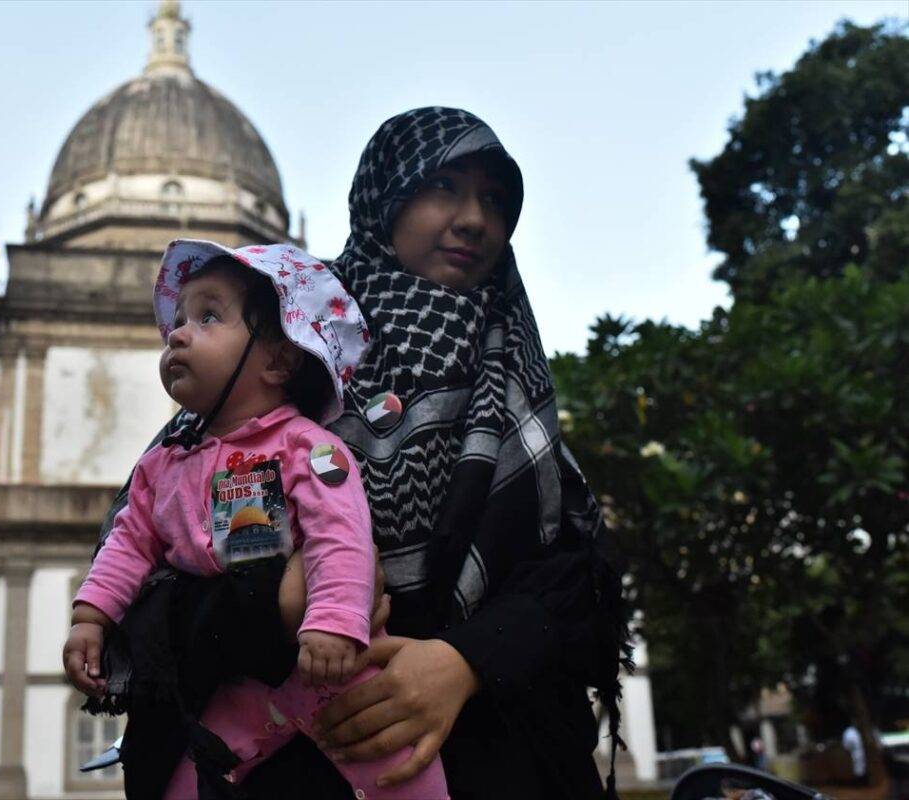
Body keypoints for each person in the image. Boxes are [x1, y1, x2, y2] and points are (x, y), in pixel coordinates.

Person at [103, 108, 630, 800]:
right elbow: (151, 568)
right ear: (383, 197)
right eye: (442, 186)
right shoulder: (289, 356)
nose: (473, 219)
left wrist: (461, 662)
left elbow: (575, 587)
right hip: (290, 768)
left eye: (495, 200)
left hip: (494, 757)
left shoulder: (514, 387)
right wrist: (275, 603)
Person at [63, 240, 449, 800]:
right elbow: (127, 544)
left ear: (279, 359)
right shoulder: (160, 467)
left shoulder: (308, 448)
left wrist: (335, 623)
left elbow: (341, 538)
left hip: (326, 663)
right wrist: (90, 616)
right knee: (187, 773)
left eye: (209, 316)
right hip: (239, 675)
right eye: (179, 319)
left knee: (398, 771)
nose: (177, 333)